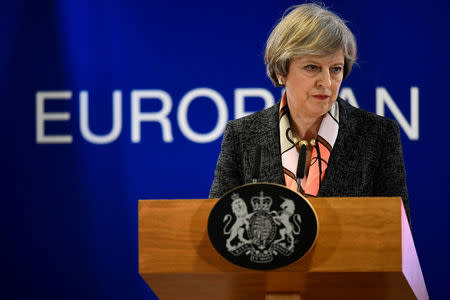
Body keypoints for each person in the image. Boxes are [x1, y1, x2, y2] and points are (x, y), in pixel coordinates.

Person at [209, 3, 410, 223]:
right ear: (280, 71)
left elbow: (396, 234)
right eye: (312, 67)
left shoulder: (378, 135)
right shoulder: (242, 135)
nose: (326, 82)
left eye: (336, 69)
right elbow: (220, 225)